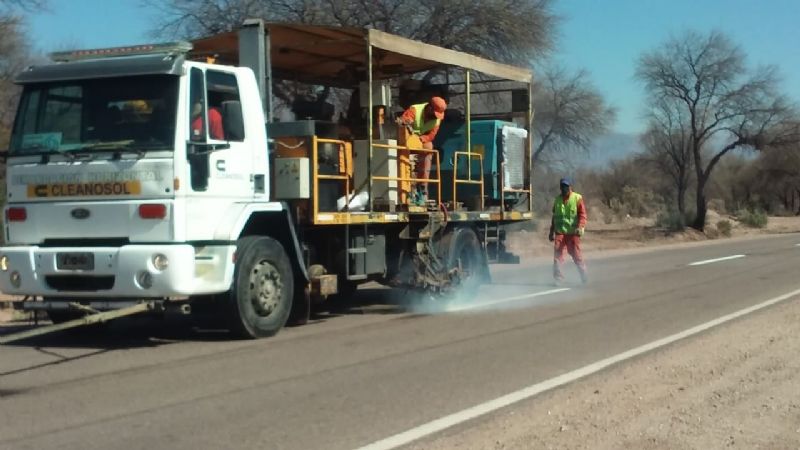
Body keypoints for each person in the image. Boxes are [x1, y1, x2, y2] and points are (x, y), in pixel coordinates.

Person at [397, 96, 447, 204]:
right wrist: (406, 123)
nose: (435, 117)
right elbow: (403, 123)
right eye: (434, 114)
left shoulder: (436, 121)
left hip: (419, 141)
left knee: (429, 147)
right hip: (404, 142)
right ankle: (403, 188)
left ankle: (422, 188)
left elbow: (431, 135)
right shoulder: (414, 110)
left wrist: (421, 139)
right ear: (429, 108)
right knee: (403, 148)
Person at [548, 177, 588, 285]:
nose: (564, 188)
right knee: (557, 256)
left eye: (566, 186)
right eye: (562, 186)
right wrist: (551, 231)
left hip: (573, 232)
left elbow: (582, 215)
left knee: (576, 255)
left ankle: (583, 274)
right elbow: (554, 217)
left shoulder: (577, 198)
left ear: (570, 187)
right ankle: (559, 279)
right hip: (560, 232)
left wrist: (580, 227)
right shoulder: (557, 200)